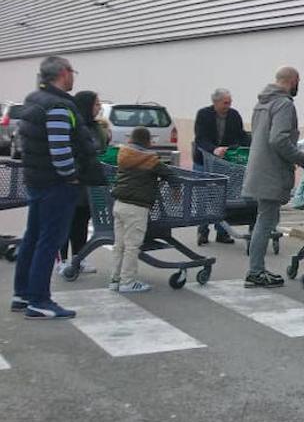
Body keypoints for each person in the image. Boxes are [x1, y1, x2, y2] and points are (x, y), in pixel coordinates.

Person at [12, 56, 92, 319]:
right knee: (49, 242)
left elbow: (26, 144)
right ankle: (39, 300)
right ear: (63, 73)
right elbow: (60, 150)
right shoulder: (58, 106)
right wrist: (71, 176)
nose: (74, 77)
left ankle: (22, 294)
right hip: (56, 184)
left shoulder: (34, 99)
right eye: (72, 72)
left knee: (33, 237)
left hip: (37, 180)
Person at [241, 66, 304, 288]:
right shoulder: (283, 104)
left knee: (263, 221)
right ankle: (255, 271)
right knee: (265, 222)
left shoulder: (262, 103)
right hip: (272, 172)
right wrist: (303, 158)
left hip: (258, 168)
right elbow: (279, 139)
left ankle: (256, 269)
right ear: (293, 81)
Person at [109, 127, 179, 293]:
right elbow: (170, 174)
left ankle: (115, 279)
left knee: (119, 245)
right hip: (137, 207)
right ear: (148, 142)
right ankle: (128, 281)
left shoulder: (123, 154)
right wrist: (176, 191)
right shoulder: (150, 160)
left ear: (131, 140)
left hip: (119, 204)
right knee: (132, 246)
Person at [59, 90, 109, 273]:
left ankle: (78, 257)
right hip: (73, 181)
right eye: (96, 104)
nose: (99, 107)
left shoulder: (96, 127)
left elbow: (101, 150)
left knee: (82, 221)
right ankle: (62, 260)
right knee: (67, 222)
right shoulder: (73, 127)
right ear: (87, 106)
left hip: (90, 182)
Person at [193, 88, 247, 245]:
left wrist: (241, 147)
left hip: (225, 163)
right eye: (225, 103)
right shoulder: (204, 114)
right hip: (204, 161)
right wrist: (213, 150)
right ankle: (202, 231)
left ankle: (222, 232)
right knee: (204, 196)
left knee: (224, 196)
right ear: (215, 102)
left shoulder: (234, 115)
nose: (228, 106)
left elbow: (241, 135)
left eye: (229, 102)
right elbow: (200, 138)